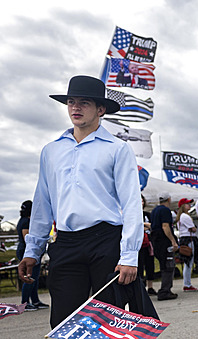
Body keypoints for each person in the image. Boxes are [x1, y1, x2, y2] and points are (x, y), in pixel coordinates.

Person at [18, 75, 143, 328]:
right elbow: (43, 202)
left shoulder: (118, 148)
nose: (75, 107)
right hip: (66, 242)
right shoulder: (51, 151)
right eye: (71, 102)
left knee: (109, 322)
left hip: (106, 241)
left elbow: (131, 202)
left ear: (100, 109)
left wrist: (129, 254)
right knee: (64, 322)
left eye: (84, 102)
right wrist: (33, 250)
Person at [16, 200, 49, 311]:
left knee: (35, 277)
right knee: (29, 276)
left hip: (28, 250)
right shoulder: (26, 222)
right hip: (27, 251)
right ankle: (25, 303)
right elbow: (26, 237)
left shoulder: (24, 220)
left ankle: (35, 300)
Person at [150, 192, 179, 300]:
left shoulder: (154, 210)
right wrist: (173, 240)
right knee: (168, 265)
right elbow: (165, 226)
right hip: (163, 240)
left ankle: (165, 289)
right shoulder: (165, 210)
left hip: (155, 240)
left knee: (163, 264)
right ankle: (165, 290)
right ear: (169, 199)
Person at [176, 198, 198, 292]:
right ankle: (187, 284)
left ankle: (187, 283)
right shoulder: (185, 216)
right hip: (188, 239)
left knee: (187, 261)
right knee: (189, 262)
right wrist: (193, 227)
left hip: (184, 238)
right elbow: (193, 228)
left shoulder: (181, 217)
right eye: (187, 204)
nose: (189, 206)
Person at [138, 195, 156, 295]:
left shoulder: (147, 214)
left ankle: (150, 287)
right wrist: (144, 225)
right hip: (139, 244)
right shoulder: (133, 214)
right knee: (140, 265)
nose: (142, 203)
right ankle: (140, 287)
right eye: (139, 201)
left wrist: (144, 225)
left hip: (148, 243)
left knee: (150, 265)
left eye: (142, 201)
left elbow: (152, 226)